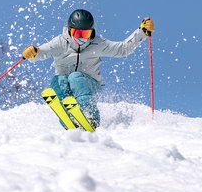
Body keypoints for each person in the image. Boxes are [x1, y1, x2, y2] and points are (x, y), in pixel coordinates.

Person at [22, 9, 154, 127]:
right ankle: (68, 116)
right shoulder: (60, 42)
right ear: (69, 30)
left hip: (90, 86)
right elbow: (42, 52)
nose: (80, 38)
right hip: (66, 86)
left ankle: (89, 116)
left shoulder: (98, 43)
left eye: (84, 34)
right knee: (59, 80)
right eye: (76, 33)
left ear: (91, 33)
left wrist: (142, 32)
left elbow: (122, 49)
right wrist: (33, 53)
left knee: (75, 77)